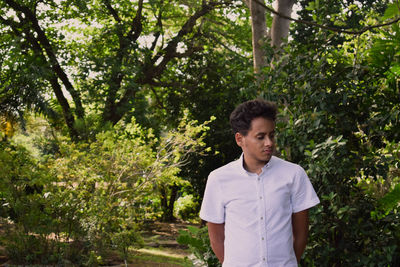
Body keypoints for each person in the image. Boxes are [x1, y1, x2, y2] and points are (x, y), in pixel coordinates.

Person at [200, 99, 320, 267]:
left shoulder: (294, 174)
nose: (269, 143)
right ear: (240, 139)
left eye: (271, 135)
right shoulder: (219, 179)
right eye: (260, 137)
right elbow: (217, 239)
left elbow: (301, 234)